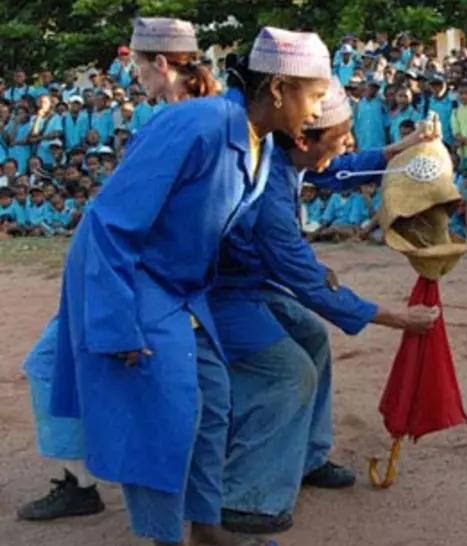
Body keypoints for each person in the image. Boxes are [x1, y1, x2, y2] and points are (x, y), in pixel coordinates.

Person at [47, 23, 331, 546]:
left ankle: (206, 527)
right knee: (171, 406)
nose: (317, 111)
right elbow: (109, 222)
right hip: (133, 277)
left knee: (214, 397)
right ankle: (165, 536)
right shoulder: (197, 124)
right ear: (278, 88)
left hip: (180, 288)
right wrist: (117, 323)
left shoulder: (259, 147)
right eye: (314, 97)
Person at [211, 84, 441, 534]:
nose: (347, 143)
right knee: (288, 372)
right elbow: (309, 283)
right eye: (340, 136)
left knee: (311, 336)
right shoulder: (270, 193)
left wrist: (402, 147)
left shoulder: (288, 158)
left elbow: (340, 169)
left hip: (248, 283)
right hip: (217, 293)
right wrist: (398, 319)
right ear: (304, 140)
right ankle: (245, 498)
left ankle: (307, 458)